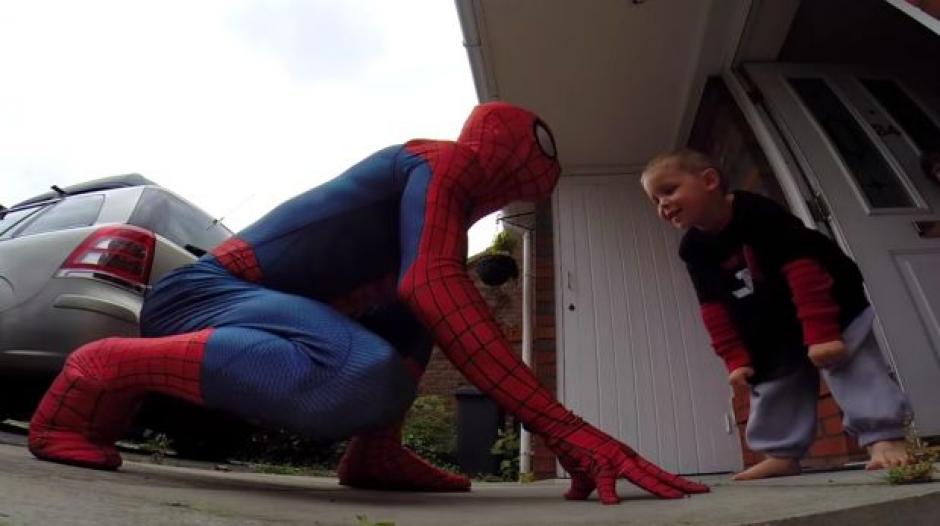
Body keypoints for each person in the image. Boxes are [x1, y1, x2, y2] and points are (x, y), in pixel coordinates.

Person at [28, 102, 708, 504]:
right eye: (521, 179)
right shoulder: (441, 162)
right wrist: (569, 429)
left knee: (418, 308)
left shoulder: (441, 199)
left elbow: (424, 295)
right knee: (363, 370)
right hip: (203, 299)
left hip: (256, 310)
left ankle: (375, 453)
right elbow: (433, 284)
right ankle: (104, 366)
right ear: (498, 160)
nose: (514, 194)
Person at [640, 148, 913, 481]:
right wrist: (735, 358)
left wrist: (823, 333)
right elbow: (712, 306)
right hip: (768, 317)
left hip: (826, 300)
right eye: (655, 200)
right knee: (773, 377)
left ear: (709, 180)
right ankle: (781, 452)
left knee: (850, 361)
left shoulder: (757, 212)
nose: (662, 205)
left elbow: (803, 269)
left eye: (668, 190)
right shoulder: (693, 249)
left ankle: (883, 437)